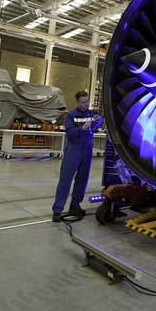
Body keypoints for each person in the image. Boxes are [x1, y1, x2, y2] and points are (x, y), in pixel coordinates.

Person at [52, 90, 102, 222]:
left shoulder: (93, 113)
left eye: (87, 101)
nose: (85, 104)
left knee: (82, 180)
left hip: (87, 150)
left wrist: (99, 120)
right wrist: (83, 128)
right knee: (65, 180)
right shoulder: (71, 115)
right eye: (83, 102)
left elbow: (100, 121)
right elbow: (70, 133)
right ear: (77, 102)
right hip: (73, 150)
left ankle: (75, 206)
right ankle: (57, 210)